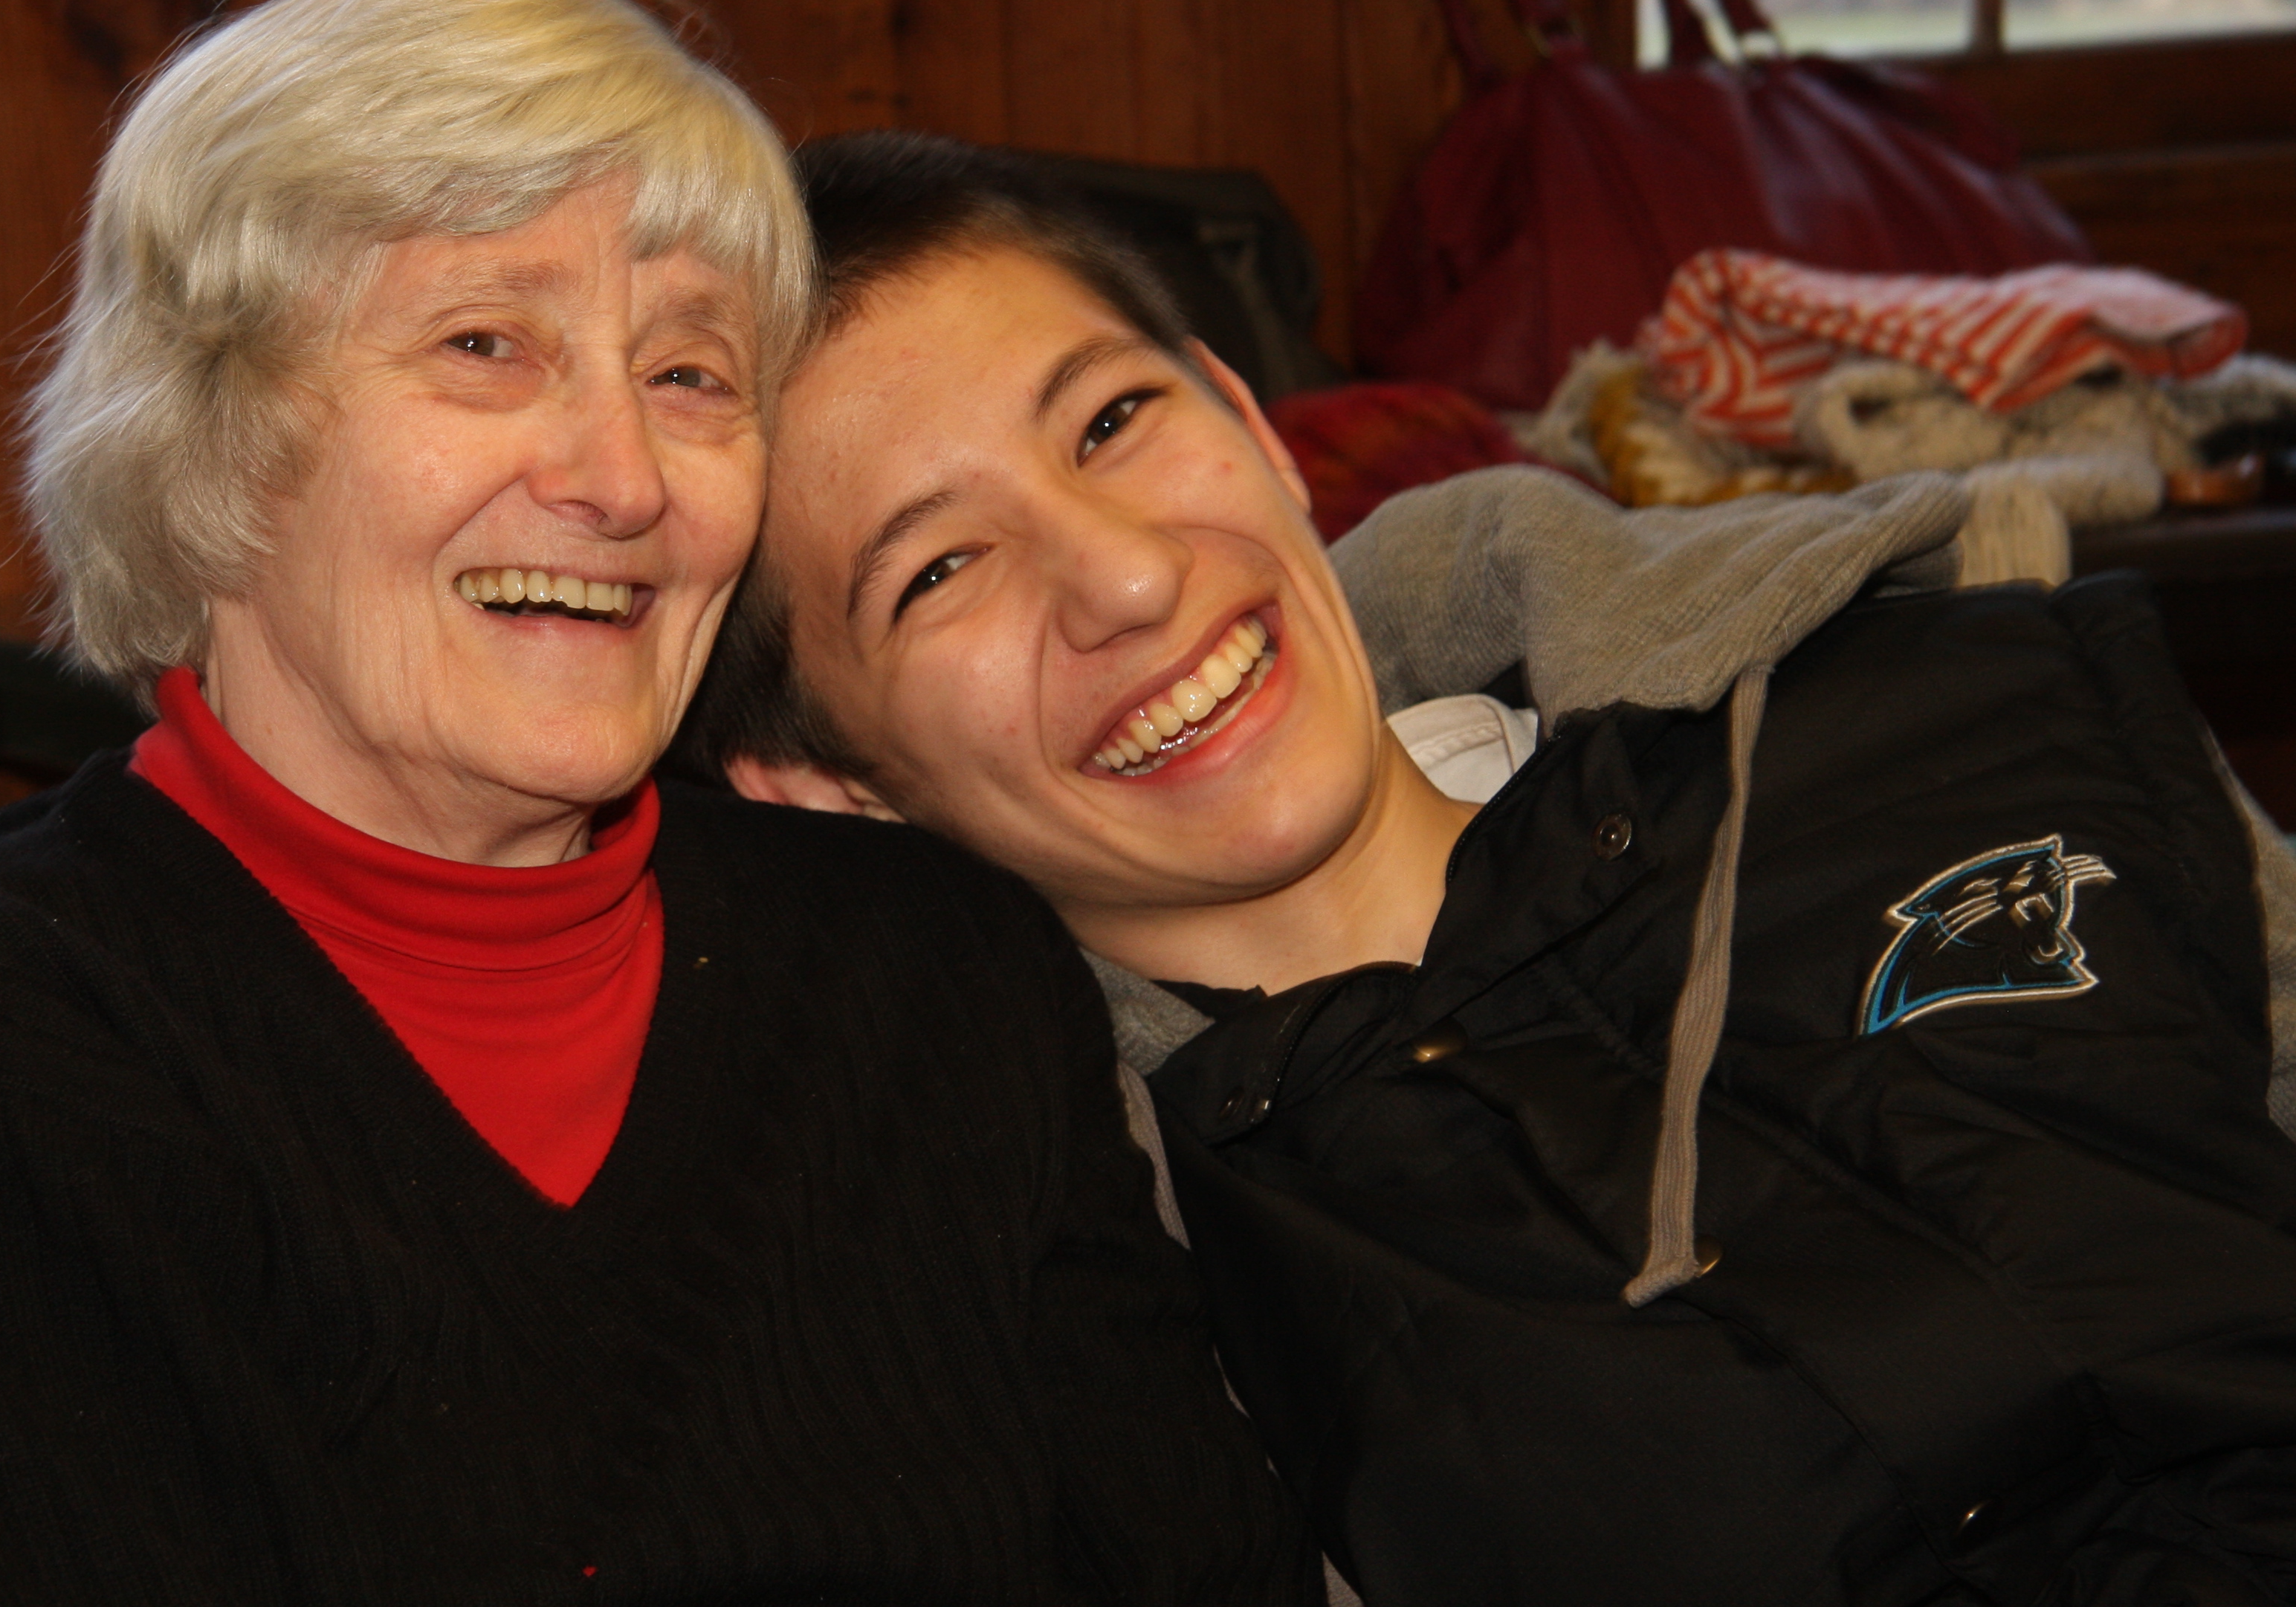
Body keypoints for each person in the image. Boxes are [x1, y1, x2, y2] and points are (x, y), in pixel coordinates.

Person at [0, 0, 1317, 1606]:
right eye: (486, 344)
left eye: (689, 376)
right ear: (213, 433)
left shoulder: (938, 965)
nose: (624, 480)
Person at [687, 129, 2296, 1607]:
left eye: (1113, 422)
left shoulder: (1951, 701)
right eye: (941, 570)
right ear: (831, 789)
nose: (1124, 577)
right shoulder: (1104, 1293)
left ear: (1250, 421)